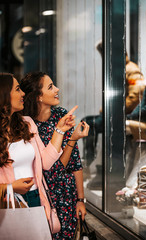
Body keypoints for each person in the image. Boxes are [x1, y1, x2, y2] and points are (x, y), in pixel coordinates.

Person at [0, 72, 80, 232]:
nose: (23, 93)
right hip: (7, 202)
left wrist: (60, 129)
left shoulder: (27, 123)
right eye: (17, 89)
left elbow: (45, 162)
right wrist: (11, 187)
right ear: (4, 96)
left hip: (36, 197)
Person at [20, 72, 90, 239]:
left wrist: (80, 199)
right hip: (45, 195)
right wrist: (72, 138)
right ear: (38, 97)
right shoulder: (27, 125)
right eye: (50, 87)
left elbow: (75, 162)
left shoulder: (61, 115)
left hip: (67, 193)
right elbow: (51, 168)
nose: (57, 89)